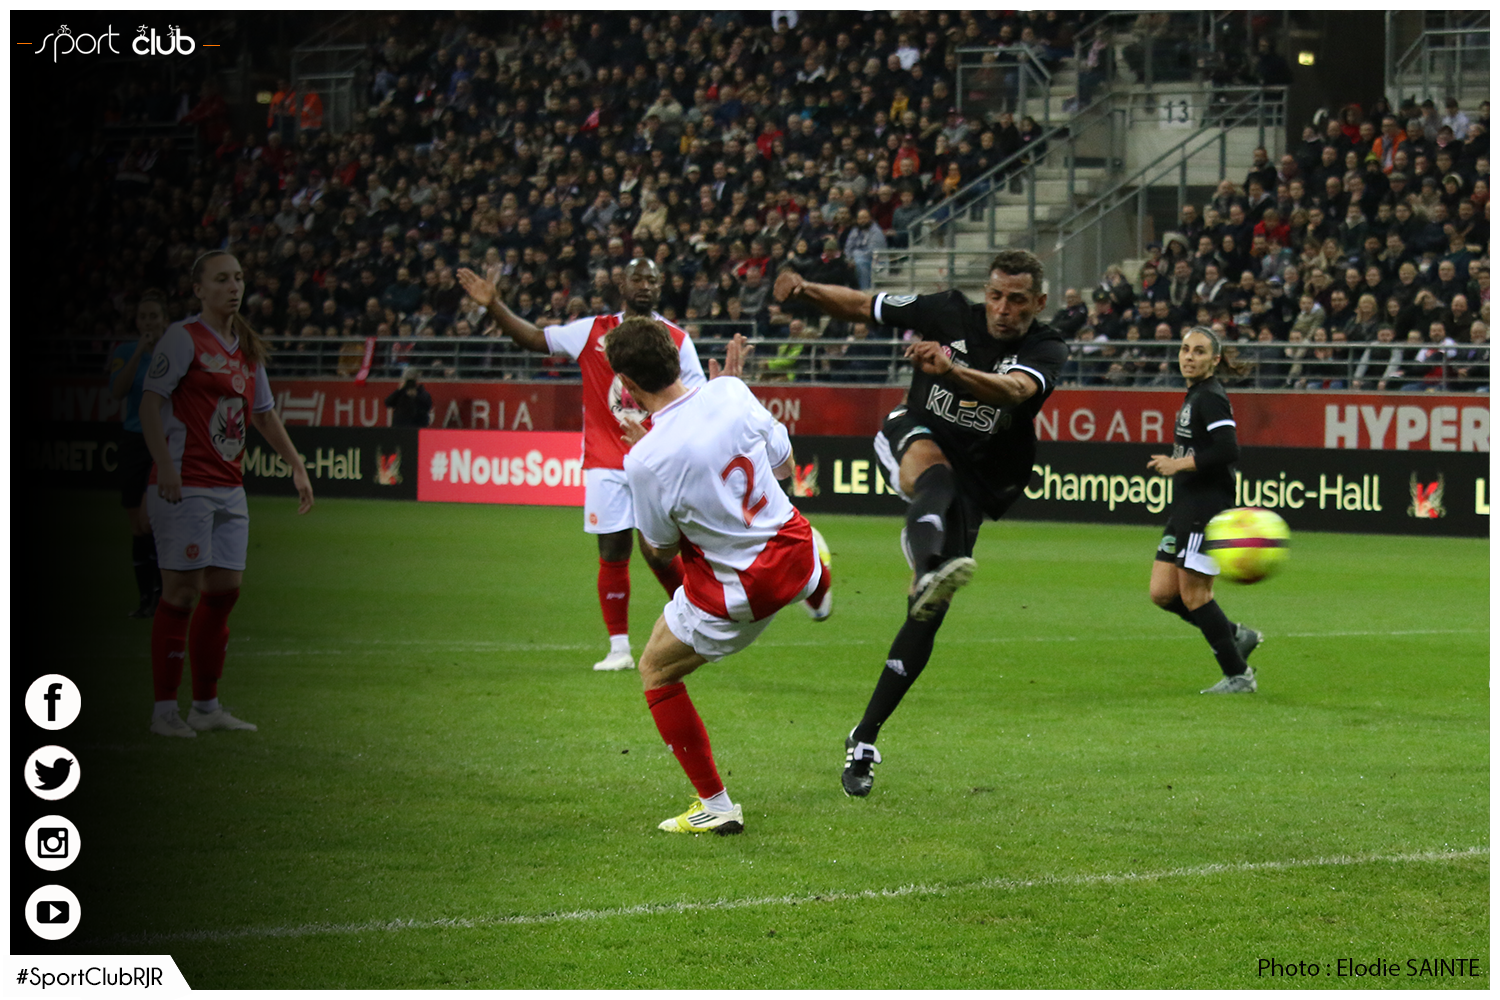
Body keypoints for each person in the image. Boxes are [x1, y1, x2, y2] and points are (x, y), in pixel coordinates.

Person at [773, 249, 1069, 797]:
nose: (1003, 309)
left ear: (1039, 303)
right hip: (913, 431)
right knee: (935, 478)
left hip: (981, 476)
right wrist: (805, 289)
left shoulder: (1045, 349)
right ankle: (928, 558)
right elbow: (864, 305)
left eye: (1018, 300)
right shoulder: (947, 311)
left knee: (925, 614)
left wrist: (951, 370)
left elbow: (1013, 391)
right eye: (996, 296)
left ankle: (864, 737)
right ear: (986, 292)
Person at [604, 317, 831, 835]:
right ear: (674, 356)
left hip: (745, 587)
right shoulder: (729, 391)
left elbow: (660, 549)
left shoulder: (645, 459)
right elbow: (784, 463)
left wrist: (648, 458)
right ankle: (816, 583)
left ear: (628, 385)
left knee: (655, 669)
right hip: (795, 546)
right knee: (801, 553)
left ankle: (717, 805)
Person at [457, 258, 711, 673]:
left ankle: (699, 622)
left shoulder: (678, 339)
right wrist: (494, 306)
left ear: (660, 286)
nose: (644, 285)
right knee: (612, 550)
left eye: (651, 279)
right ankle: (619, 648)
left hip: (656, 459)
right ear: (621, 284)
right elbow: (535, 339)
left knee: (659, 553)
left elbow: (695, 400)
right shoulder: (592, 331)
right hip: (606, 461)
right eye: (637, 278)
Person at [139, 251, 315, 737]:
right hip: (186, 485)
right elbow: (151, 404)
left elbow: (264, 414)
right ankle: (163, 711)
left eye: (238, 278)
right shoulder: (183, 338)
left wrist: (296, 465)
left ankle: (206, 706)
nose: (233, 286)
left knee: (223, 594)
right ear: (199, 289)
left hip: (229, 487)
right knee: (180, 593)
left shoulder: (246, 347)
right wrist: (166, 466)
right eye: (221, 279)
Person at [1146, 327, 1262, 695]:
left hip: (1206, 507)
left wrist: (1178, 464)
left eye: (1198, 351)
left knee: (1196, 595)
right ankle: (1235, 634)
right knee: (1163, 592)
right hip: (1186, 506)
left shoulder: (1211, 396)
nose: (1189, 357)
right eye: (1185, 349)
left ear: (1214, 360)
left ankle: (1239, 676)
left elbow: (1228, 449)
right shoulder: (1195, 395)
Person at [108, 290, 168, 618]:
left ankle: (161, 596)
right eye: (143, 317)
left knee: (150, 521)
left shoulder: (174, 353)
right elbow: (117, 391)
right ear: (137, 321)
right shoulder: (125, 352)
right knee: (137, 527)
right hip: (134, 440)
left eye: (153, 316)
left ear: (164, 320)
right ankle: (146, 600)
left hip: (163, 440)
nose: (148, 322)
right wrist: (138, 354)